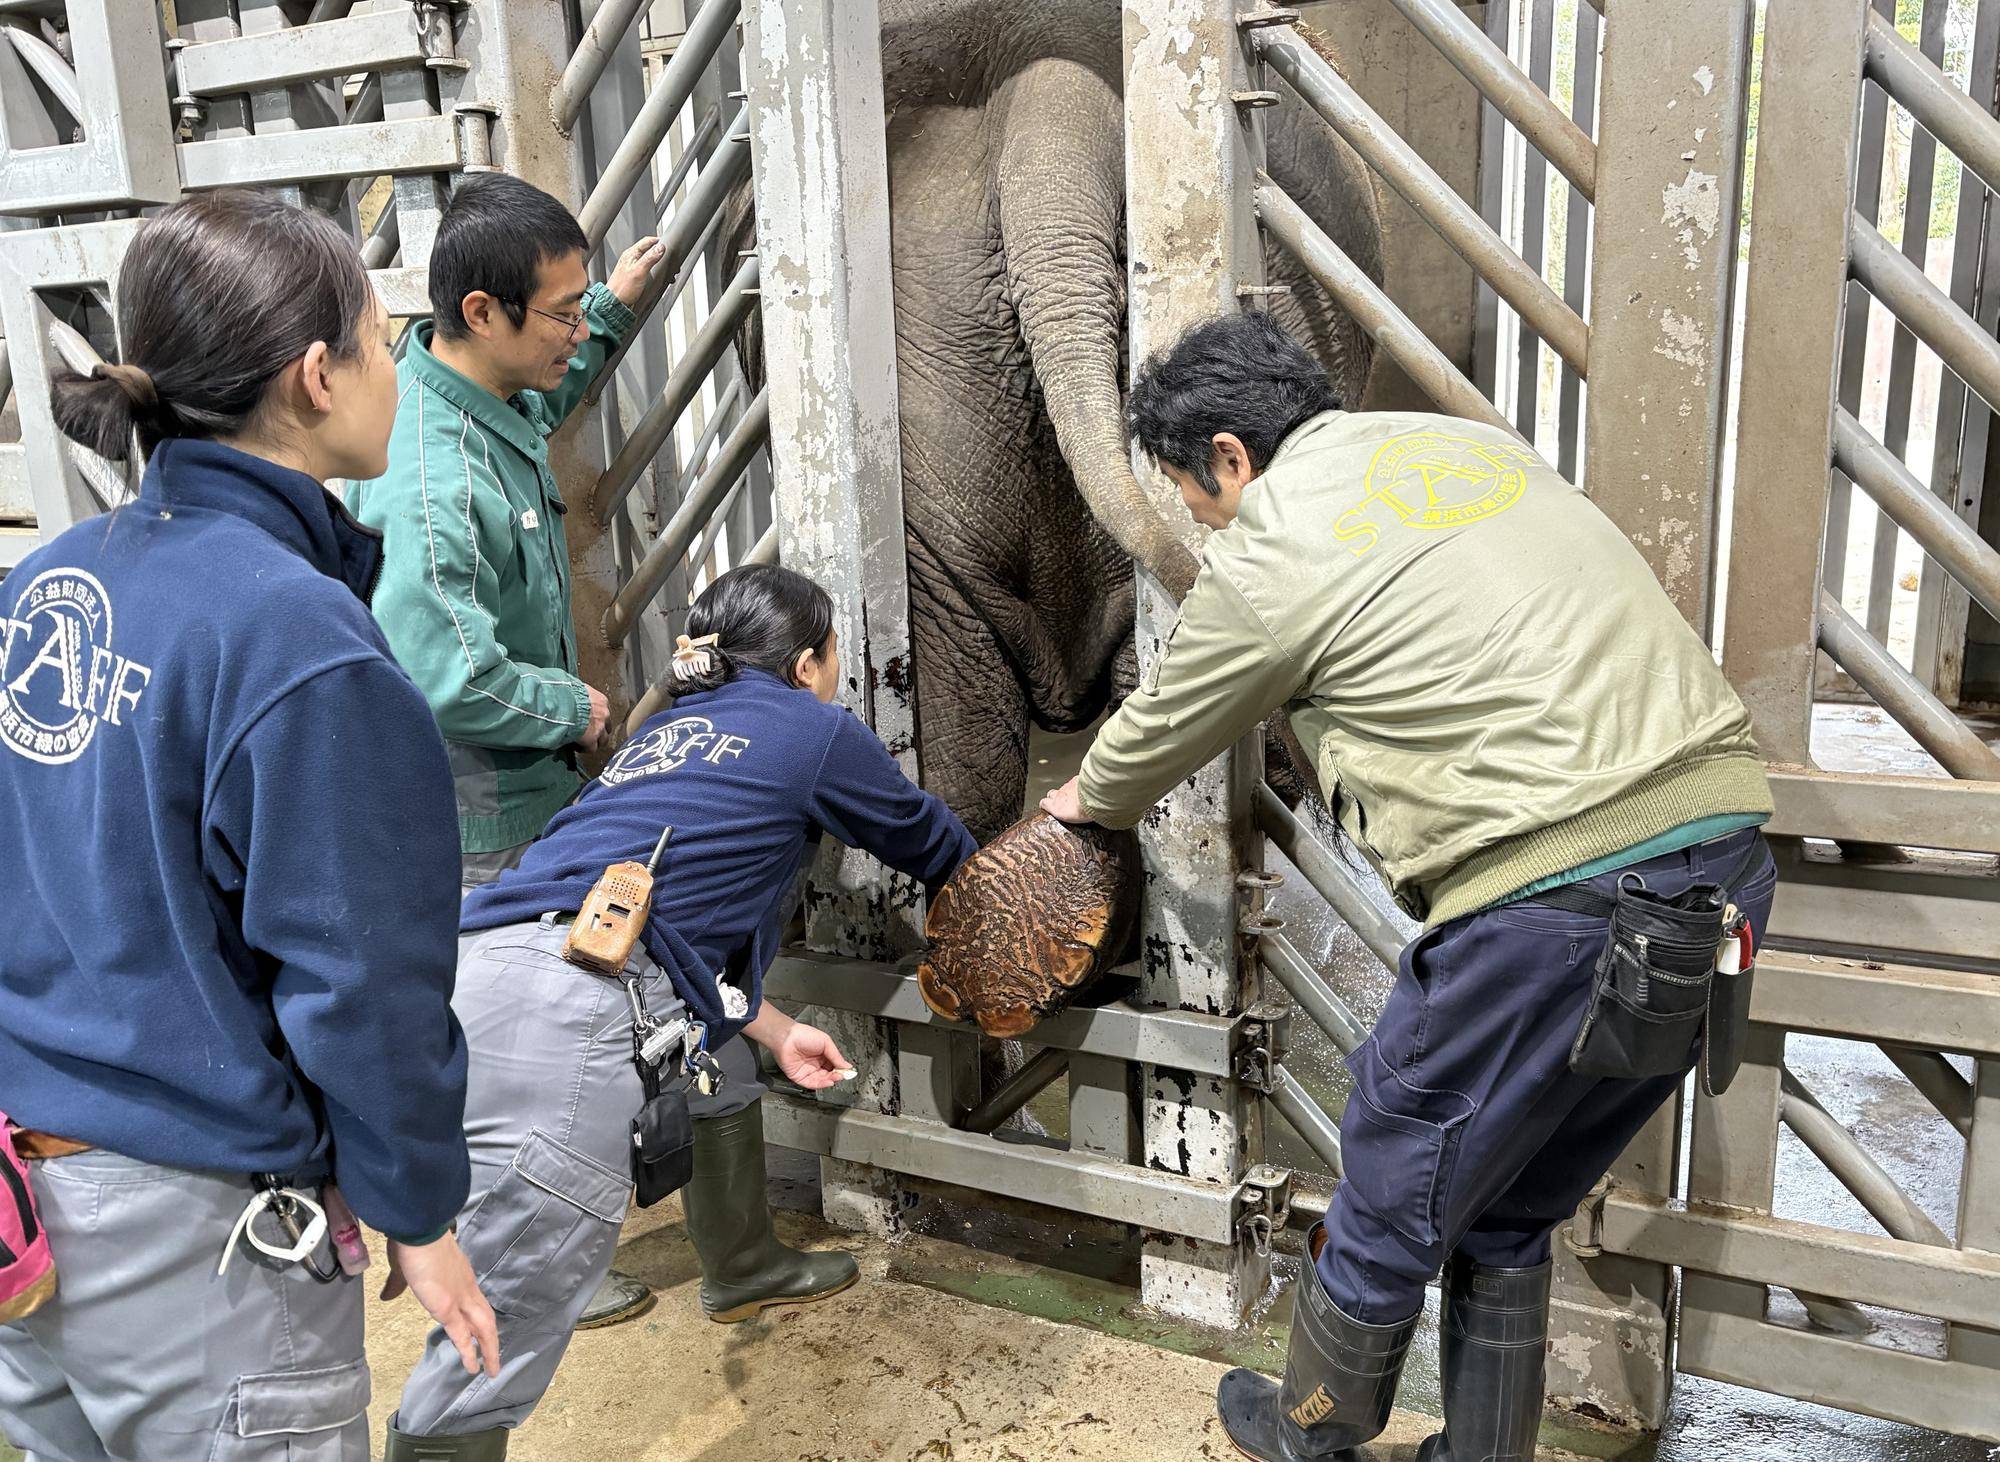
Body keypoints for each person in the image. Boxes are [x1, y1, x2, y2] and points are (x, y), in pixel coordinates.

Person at [1040, 312, 1778, 1462]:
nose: (1201, 521)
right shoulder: (1474, 449)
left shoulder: (1279, 536)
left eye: (1194, 497)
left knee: (1396, 1155)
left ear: (1230, 456)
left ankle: (1306, 1433)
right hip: (1723, 860)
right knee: (1515, 1194)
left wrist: (1077, 802)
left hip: (1556, 889)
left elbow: (1169, 719)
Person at [0, 192, 498, 1462]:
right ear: (315, 377)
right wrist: (419, 1209)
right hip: (193, 1242)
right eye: (386, 340)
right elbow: (359, 978)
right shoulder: (299, 642)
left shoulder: (45, 586)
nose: (402, 365)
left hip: (26, 1206)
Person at [385, 563, 976, 1458]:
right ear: (811, 662)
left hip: (468, 977)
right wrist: (1016, 914)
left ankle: (742, 1265)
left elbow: (670, 918)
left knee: (484, 1273)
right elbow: (933, 844)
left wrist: (771, 1029)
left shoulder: (653, 738)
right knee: (487, 1343)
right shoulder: (812, 727)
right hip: (573, 1009)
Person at [345, 171, 668, 1327]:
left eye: (584, 305)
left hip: (523, 800)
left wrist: (616, 308)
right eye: (562, 310)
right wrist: (576, 709)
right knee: (501, 1046)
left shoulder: (483, 382)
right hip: (471, 806)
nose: (575, 331)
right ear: (480, 313)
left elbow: (549, 388)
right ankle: (518, 1267)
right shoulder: (430, 473)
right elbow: (448, 667)